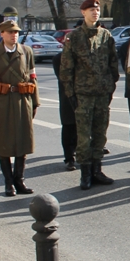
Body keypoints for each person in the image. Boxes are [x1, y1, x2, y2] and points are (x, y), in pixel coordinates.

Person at [59, 0, 120, 190]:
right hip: (83, 94)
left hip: (102, 93)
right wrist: (71, 94)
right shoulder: (74, 37)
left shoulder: (106, 35)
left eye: (97, 9)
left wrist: (110, 87)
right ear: (83, 13)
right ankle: (85, 173)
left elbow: (113, 64)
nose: (95, 12)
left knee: (100, 134)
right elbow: (66, 68)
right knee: (84, 137)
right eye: (91, 10)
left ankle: (97, 170)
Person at [0, 21, 39, 197]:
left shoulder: (26, 51)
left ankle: (19, 179)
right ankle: (8, 182)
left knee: (23, 142)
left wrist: (35, 102)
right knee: (3, 144)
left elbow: (32, 77)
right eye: (9, 32)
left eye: (16, 32)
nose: (14, 35)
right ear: (2, 33)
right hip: (1, 103)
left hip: (22, 102)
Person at [51, 36, 78, 171]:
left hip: (82, 97)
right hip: (67, 97)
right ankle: (69, 158)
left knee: (81, 128)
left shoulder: (81, 57)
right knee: (68, 127)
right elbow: (64, 78)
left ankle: (79, 154)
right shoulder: (59, 58)